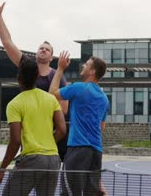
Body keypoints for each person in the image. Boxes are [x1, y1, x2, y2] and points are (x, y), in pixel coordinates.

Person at [0, 0, 69, 160]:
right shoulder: (27, 66)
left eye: (47, 49)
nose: (43, 50)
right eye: (41, 48)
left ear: (52, 56)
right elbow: (7, 42)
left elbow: (64, 110)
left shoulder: (57, 76)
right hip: (29, 135)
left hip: (49, 135)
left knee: (48, 179)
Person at [0, 57, 67, 195]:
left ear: (18, 78)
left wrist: (2, 168)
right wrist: (47, 143)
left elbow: (15, 142)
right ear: (38, 76)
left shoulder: (14, 104)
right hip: (53, 159)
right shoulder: (51, 99)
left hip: (31, 160)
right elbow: (62, 130)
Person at [49, 51, 109, 196]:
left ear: (92, 71)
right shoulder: (104, 98)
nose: (83, 65)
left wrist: (61, 69)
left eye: (87, 64)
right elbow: (101, 127)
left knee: (69, 192)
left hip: (78, 148)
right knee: (92, 193)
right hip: (96, 151)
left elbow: (52, 93)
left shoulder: (79, 87)